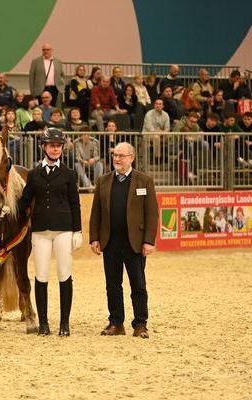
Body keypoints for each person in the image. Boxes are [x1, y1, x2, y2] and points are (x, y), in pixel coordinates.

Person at [89, 142, 158, 339]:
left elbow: (151, 213)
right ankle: (116, 323)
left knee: (138, 284)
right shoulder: (103, 181)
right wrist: (94, 238)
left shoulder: (144, 181)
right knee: (112, 285)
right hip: (110, 242)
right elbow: (96, 213)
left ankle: (140, 324)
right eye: (115, 155)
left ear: (132, 158)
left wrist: (149, 241)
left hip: (134, 242)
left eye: (122, 155)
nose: (117, 159)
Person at [18, 128, 82, 336]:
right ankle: (44, 324)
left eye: (58, 146)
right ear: (43, 147)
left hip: (64, 229)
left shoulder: (69, 174)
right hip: (40, 231)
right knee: (42, 275)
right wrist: (9, 209)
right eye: (52, 145)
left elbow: (75, 203)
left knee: (64, 274)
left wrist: (77, 230)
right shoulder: (34, 174)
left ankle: (64, 324)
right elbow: (25, 201)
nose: (55, 149)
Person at [143, 99, 171, 163]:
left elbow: (167, 128)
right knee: (156, 137)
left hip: (161, 134)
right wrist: (160, 132)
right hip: (148, 134)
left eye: (160, 104)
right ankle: (158, 157)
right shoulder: (149, 114)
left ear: (163, 106)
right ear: (154, 105)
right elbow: (150, 129)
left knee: (171, 136)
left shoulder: (166, 115)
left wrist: (162, 132)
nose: (158, 105)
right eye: (156, 104)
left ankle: (167, 156)